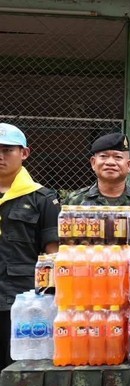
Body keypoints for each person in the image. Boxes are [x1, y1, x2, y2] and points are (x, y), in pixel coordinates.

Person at [0, 123, 60, 370]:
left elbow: (53, 253)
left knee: (17, 370)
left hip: (21, 302)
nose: (0, 156)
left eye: (7, 150)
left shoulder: (42, 199)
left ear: (24, 153)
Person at [64, 133, 130, 206]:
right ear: (93, 163)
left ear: (129, 165)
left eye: (118, 157)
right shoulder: (75, 201)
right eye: (104, 156)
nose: (110, 162)